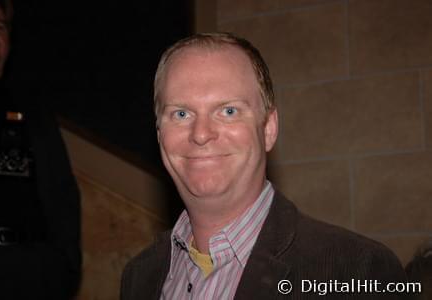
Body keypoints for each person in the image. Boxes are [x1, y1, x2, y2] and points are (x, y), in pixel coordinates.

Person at [120, 32, 412, 299]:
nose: (201, 133)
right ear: (160, 135)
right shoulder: (140, 276)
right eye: (181, 113)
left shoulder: (356, 270)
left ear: (269, 128)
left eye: (228, 110)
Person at [0, 0, 81, 299]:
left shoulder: (33, 109)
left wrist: (64, 264)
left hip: (31, 270)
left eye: (0, 25)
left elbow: (63, 191)